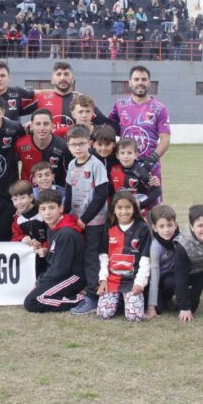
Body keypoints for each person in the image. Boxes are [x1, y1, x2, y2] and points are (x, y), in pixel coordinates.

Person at [64, 125, 110, 315]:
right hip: (77, 219)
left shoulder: (96, 164)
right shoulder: (72, 164)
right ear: (68, 146)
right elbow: (68, 192)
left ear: (89, 144)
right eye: (74, 144)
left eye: (82, 143)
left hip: (93, 220)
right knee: (80, 255)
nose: (78, 148)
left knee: (92, 257)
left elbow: (101, 195)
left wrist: (85, 217)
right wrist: (66, 215)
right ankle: (82, 288)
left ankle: (93, 297)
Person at [22, 189, 86, 312]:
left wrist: (40, 282)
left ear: (60, 208)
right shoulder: (52, 227)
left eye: (51, 208)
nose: (47, 213)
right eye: (43, 209)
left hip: (73, 276)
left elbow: (60, 268)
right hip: (60, 274)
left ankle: (83, 298)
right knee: (36, 294)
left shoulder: (66, 233)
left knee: (32, 302)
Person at [108, 65, 170, 184]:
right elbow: (109, 128)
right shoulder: (120, 105)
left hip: (150, 167)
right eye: (136, 79)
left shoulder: (159, 108)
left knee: (153, 202)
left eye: (143, 79)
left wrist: (150, 162)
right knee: (124, 201)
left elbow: (165, 140)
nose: (140, 83)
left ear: (149, 83)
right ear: (130, 82)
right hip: (125, 165)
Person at [96, 191, 152, 321]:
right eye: (119, 207)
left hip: (132, 280)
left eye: (128, 207)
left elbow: (145, 259)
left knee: (134, 317)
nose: (124, 211)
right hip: (112, 280)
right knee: (103, 314)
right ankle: (119, 299)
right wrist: (103, 279)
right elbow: (103, 257)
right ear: (113, 209)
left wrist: (140, 282)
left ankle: (125, 299)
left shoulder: (143, 228)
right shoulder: (108, 227)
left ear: (134, 208)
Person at [108, 138, 162, 213]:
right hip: (121, 212)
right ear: (117, 155)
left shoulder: (142, 170)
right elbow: (110, 191)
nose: (125, 156)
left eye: (129, 153)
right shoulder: (113, 170)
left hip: (140, 212)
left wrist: (142, 204)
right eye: (122, 153)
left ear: (136, 155)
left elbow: (157, 191)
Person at [9, 180, 50, 277]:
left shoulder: (43, 213)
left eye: (22, 198)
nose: (19, 202)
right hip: (31, 260)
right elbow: (14, 237)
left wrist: (45, 247)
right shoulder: (18, 218)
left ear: (31, 197)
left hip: (49, 257)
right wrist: (22, 239)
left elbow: (54, 234)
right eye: (15, 199)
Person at [146, 204, 179, 319]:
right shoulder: (155, 247)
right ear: (155, 228)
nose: (166, 230)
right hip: (155, 278)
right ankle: (155, 299)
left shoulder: (180, 239)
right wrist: (151, 306)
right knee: (158, 309)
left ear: (175, 225)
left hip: (169, 276)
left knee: (173, 281)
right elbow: (154, 277)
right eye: (162, 226)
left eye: (169, 225)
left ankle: (167, 298)